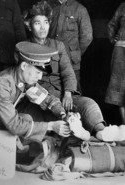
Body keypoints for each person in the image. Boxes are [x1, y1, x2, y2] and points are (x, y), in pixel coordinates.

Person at [23, 0, 122, 142]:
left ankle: (101, 132)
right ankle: (74, 125)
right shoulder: (23, 48)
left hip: (63, 94)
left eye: (46, 22)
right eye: (37, 23)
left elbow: (68, 72)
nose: (43, 28)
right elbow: (31, 88)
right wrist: (61, 110)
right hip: (42, 101)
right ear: (29, 26)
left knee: (88, 104)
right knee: (64, 118)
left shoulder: (58, 45)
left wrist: (68, 93)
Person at [47, 0, 93, 92]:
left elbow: (87, 37)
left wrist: (75, 52)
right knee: (51, 86)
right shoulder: (46, 6)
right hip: (49, 57)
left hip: (71, 59)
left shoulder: (80, 9)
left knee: (73, 89)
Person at [105, 2, 125, 125]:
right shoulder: (123, 6)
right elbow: (111, 25)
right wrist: (114, 38)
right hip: (121, 53)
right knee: (120, 89)